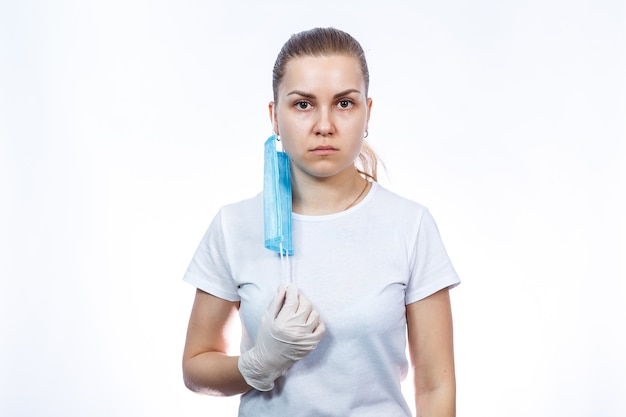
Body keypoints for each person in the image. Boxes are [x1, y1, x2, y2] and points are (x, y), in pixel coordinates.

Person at [182, 27, 460, 417]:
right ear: (274, 116)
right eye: (303, 104)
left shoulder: (410, 226)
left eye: (344, 103)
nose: (325, 125)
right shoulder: (234, 226)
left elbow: (435, 383)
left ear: (368, 113)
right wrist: (257, 363)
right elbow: (196, 366)